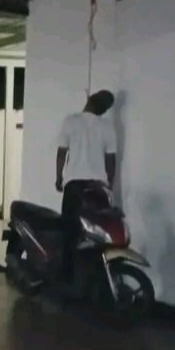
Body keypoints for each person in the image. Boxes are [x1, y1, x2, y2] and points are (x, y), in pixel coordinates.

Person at [55, 90, 117, 277]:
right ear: (104, 110)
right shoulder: (107, 127)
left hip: (74, 185)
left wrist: (59, 178)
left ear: (89, 100)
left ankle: (67, 275)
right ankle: (97, 275)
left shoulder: (70, 121)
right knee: (98, 232)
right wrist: (109, 184)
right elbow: (111, 160)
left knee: (69, 230)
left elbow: (62, 153)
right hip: (97, 186)